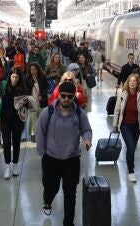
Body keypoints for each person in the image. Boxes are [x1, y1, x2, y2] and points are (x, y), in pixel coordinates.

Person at [36, 81, 93, 226]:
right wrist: (43, 153)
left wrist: (87, 139)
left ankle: (68, 223)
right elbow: (40, 132)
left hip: (71, 160)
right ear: (58, 96)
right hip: (51, 158)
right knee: (50, 187)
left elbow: (86, 129)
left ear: (74, 96)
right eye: (63, 96)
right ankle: (47, 200)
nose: (66, 99)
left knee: (70, 194)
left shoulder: (79, 113)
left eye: (70, 96)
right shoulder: (48, 112)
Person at [111, 73, 140, 183]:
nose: (132, 82)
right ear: (128, 82)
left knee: (132, 149)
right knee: (131, 147)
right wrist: (115, 125)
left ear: (137, 83)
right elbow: (117, 110)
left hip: (136, 126)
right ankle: (131, 171)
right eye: (130, 81)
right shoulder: (123, 94)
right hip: (125, 125)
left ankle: (130, 168)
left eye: (134, 81)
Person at [0, 70, 28, 179]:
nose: (14, 79)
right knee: (6, 142)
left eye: (16, 77)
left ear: (19, 78)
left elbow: (29, 104)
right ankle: (7, 166)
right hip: (5, 119)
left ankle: (15, 165)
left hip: (18, 119)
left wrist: (26, 103)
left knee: (16, 142)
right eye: (13, 77)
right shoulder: (4, 88)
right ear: (9, 77)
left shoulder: (23, 89)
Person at [25, 62, 48, 143]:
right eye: (31, 69)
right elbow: (26, 90)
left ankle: (41, 133)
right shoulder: (27, 79)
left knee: (41, 117)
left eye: (34, 69)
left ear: (37, 69)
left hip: (41, 101)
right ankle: (32, 135)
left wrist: (42, 95)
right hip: (32, 101)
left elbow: (46, 87)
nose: (33, 71)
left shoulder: (42, 77)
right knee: (33, 118)